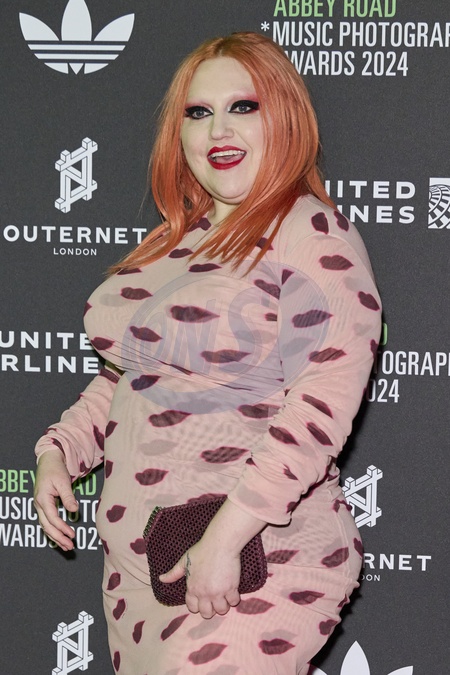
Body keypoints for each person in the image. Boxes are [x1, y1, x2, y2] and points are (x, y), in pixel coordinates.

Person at [34, 32, 381, 675]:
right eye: (199, 112)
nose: (219, 129)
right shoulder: (171, 243)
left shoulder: (308, 232)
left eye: (243, 106)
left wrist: (226, 537)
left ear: (285, 118)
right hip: (141, 563)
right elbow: (129, 378)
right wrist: (59, 450)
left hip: (256, 554)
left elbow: (322, 404)